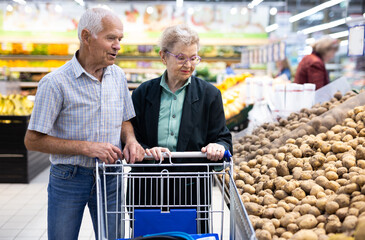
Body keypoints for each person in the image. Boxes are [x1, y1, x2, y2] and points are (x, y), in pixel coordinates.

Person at [24, 8, 145, 240]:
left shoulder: (117, 76)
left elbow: (125, 119)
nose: (118, 45)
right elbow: (33, 140)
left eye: (120, 39)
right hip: (69, 177)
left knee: (114, 237)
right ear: (87, 37)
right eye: (111, 38)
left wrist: (130, 140)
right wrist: (87, 147)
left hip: (111, 176)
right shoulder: (55, 83)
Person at [130, 24, 232, 233]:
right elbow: (131, 137)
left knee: (189, 235)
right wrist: (146, 149)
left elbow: (223, 137)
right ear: (163, 56)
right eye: (181, 57)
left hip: (191, 188)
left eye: (193, 58)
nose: (189, 64)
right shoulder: (143, 93)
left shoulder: (209, 95)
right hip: (147, 186)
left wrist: (217, 146)